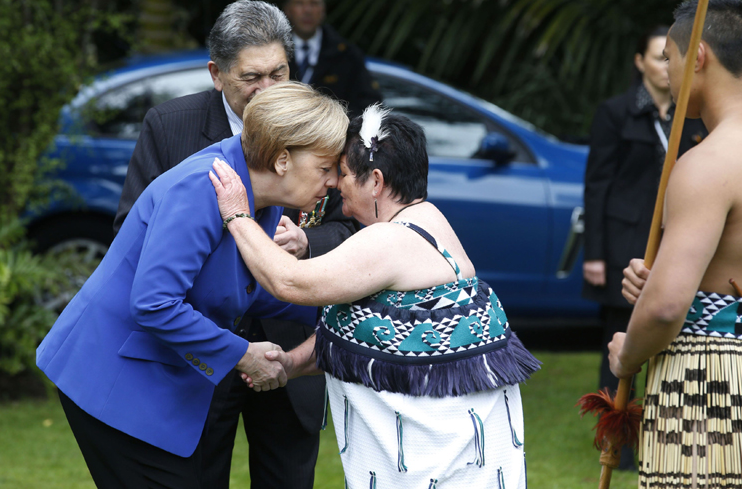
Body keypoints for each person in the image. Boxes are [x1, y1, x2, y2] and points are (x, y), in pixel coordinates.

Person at [209, 106, 540, 488]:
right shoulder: (428, 219)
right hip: (463, 450)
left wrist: (237, 216)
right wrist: (292, 363)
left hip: (438, 463)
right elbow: (369, 329)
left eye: (345, 174)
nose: (335, 183)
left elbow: (289, 283)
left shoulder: (389, 240)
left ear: (376, 181)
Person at [37, 82, 348, 488]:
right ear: (283, 159)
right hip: (112, 381)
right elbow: (154, 304)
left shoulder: (262, 198)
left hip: (154, 383)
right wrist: (242, 355)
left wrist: (347, 310)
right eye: (326, 169)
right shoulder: (204, 186)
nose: (335, 183)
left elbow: (245, 291)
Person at [113, 0, 356, 488]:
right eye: (252, 77)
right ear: (216, 74)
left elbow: (354, 224)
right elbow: (131, 230)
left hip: (289, 346)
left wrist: (308, 241)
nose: (268, 89)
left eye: (279, 73)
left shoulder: (321, 127)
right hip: (197, 355)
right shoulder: (170, 126)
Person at [608, 0, 742, 486]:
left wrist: (629, 353)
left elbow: (666, 309)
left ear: (699, 56)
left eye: (670, 57)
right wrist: (666, 284)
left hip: (711, 390)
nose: (667, 71)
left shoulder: (708, 163)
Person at [581, 25, 707, 469]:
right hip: (621, 242)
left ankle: (656, 432)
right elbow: (596, 184)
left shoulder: (689, 116)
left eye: (669, 57)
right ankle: (614, 439)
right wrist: (594, 253)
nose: (664, 65)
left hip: (672, 242)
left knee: (662, 341)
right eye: (657, 57)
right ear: (639, 63)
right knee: (618, 340)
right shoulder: (615, 113)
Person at [284, 0, 381, 116]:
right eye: (299, 3)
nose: (307, 10)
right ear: (287, 9)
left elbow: (369, 106)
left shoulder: (347, 55)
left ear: (323, 9)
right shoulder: (274, 52)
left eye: (314, 3)